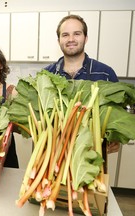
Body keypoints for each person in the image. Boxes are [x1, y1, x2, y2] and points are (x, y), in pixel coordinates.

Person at [45, 14, 119, 153]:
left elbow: (117, 114)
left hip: (92, 157)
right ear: (59, 40)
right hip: (55, 157)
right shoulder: (46, 76)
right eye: (65, 35)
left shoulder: (106, 74)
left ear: (86, 38)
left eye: (77, 34)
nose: (71, 39)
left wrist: (115, 137)